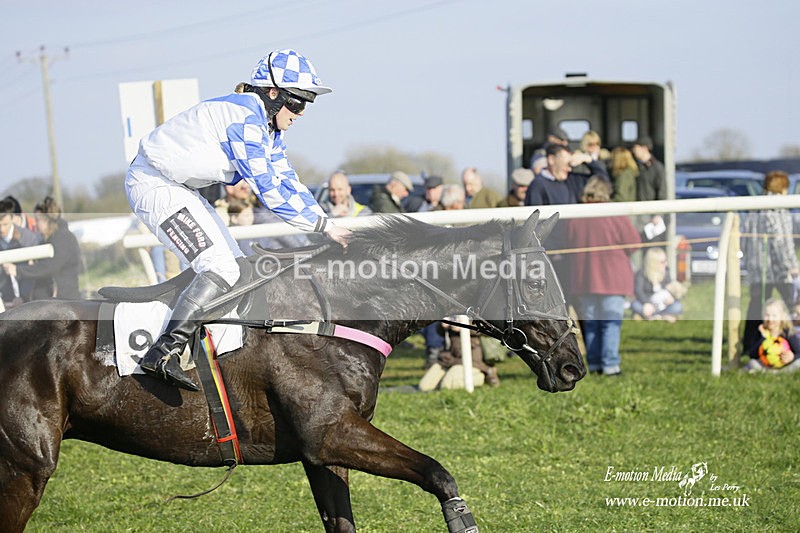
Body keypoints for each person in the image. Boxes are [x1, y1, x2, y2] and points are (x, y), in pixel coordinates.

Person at [125, 49, 351, 391]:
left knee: (237, 267)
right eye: (299, 102)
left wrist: (324, 221)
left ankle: (205, 350)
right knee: (221, 269)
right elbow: (270, 190)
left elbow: (287, 179)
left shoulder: (266, 127)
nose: (301, 113)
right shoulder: (245, 120)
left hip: (177, 188)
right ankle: (162, 353)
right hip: (153, 184)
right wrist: (324, 227)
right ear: (274, 94)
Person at [565, 177, 641, 376]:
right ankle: (610, 365)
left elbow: (569, 241)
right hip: (612, 277)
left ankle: (595, 363)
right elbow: (632, 243)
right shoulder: (613, 213)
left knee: (591, 323)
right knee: (610, 322)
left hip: (584, 278)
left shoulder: (576, 214)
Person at [741, 170, 800, 351]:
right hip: (778, 270)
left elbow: (744, 239)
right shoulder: (778, 208)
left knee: (757, 308)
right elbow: (781, 241)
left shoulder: (755, 207)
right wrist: (791, 265)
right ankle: (793, 342)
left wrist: (750, 261)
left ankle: (749, 344)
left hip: (757, 269)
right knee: (792, 306)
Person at [3, 197, 81, 301]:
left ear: (47, 219)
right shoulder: (47, 239)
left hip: (64, 303)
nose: (35, 223)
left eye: (38, 220)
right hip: (51, 302)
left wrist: (18, 270)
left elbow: (48, 267)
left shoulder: (63, 237)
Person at [0, 197, 41, 305]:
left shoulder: (28, 239)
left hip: (27, 300)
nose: (2, 229)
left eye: (5, 224)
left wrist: (23, 297)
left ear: (12, 219)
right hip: (4, 301)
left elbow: (34, 270)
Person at [744, 298, 800, 373]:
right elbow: (752, 354)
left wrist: (792, 357)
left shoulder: (787, 332)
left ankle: (777, 372)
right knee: (752, 362)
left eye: (774, 316)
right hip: (765, 365)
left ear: (782, 317)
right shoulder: (760, 331)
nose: (770, 319)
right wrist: (763, 337)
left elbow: (799, 352)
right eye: (767, 315)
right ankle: (768, 372)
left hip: (785, 366)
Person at [631, 247, 685, 322]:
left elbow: (671, 289)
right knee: (635, 304)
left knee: (678, 306)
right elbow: (638, 291)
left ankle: (652, 317)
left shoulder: (666, 272)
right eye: (662, 262)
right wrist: (647, 303)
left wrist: (671, 298)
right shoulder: (641, 273)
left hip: (663, 305)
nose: (666, 263)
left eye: (666, 260)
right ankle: (663, 316)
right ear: (653, 263)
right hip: (647, 304)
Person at [631, 136, 667, 243]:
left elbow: (662, 192)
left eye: (636, 148)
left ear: (644, 148)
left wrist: (658, 215)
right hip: (636, 213)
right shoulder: (635, 166)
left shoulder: (657, 168)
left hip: (650, 215)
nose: (634, 151)